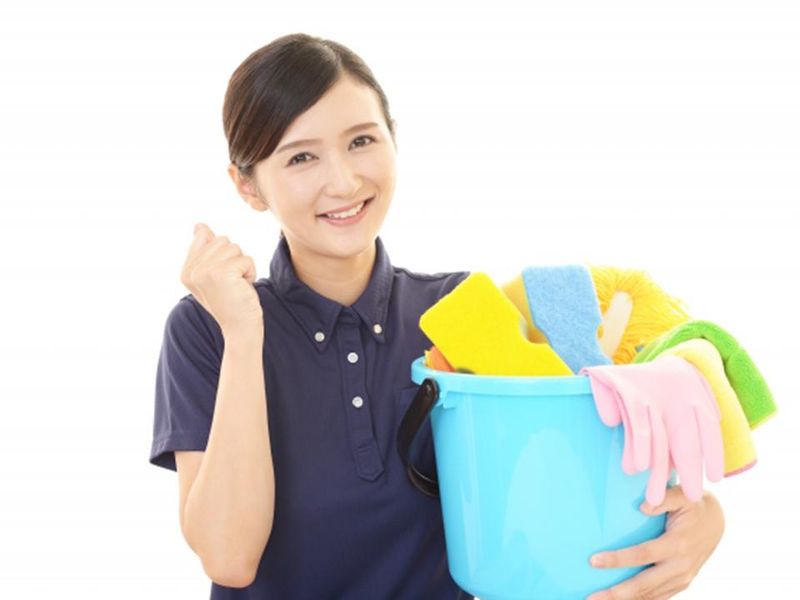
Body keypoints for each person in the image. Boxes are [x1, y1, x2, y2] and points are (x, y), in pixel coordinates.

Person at [149, 33, 726, 600]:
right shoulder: (208, 330)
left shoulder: (461, 308)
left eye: (361, 141)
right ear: (247, 186)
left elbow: (578, 452)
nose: (344, 181)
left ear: (393, 139)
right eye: (301, 156)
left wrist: (703, 516)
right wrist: (243, 335)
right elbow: (230, 558)